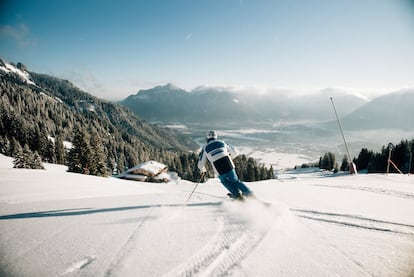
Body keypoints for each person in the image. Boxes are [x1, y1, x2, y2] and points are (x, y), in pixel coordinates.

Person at [197, 130, 253, 199]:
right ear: (216, 136)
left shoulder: (205, 148)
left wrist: (203, 170)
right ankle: (249, 194)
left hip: (218, 167)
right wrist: (230, 157)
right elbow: (235, 152)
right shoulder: (222, 142)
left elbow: (200, 164)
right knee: (235, 181)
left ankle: (237, 195)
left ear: (207, 138)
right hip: (228, 163)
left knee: (224, 181)